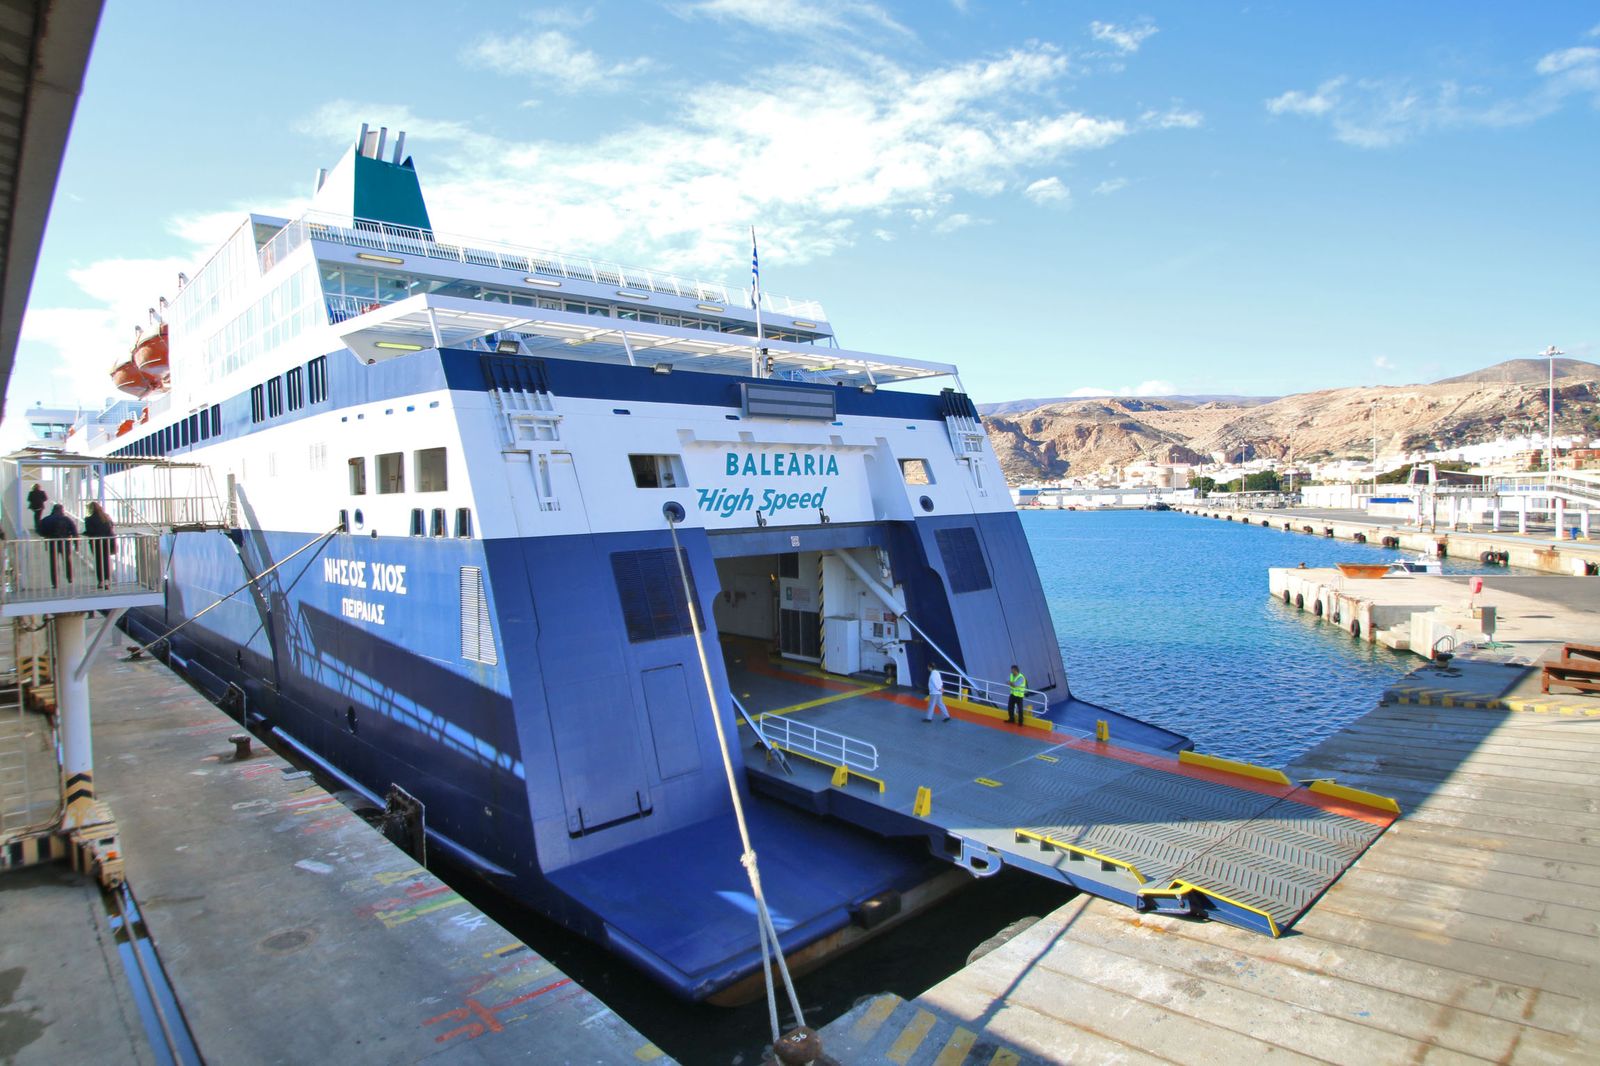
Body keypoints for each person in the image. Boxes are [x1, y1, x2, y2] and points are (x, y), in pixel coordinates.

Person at [38, 504, 77, 587]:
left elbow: (40, 531)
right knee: (67, 560)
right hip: (65, 543)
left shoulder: (46, 519)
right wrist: (76, 543)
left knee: (53, 563)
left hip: (52, 543)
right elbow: (74, 531)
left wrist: (47, 535)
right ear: (62, 510)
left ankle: (55, 582)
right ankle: (69, 577)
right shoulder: (66, 519)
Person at [84, 502, 115, 586]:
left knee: (98, 561)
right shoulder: (106, 517)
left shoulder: (89, 519)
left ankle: (100, 581)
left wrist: (84, 533)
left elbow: (90, 531)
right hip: (107, 542)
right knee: (106, 560)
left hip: (96, 542)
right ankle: (107, 580)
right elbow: (111, 527)